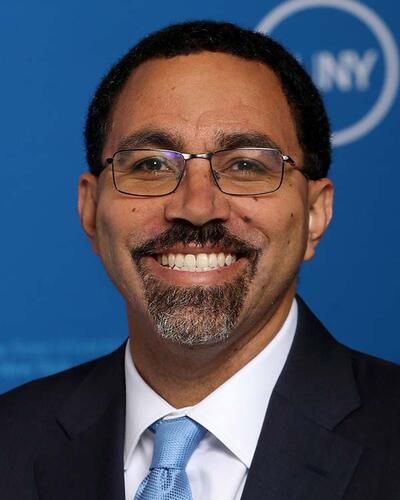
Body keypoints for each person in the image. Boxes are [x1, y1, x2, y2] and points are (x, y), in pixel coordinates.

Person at [0, 20, 399, 500]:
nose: (196, 207)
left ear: (315, 214)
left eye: (246, 165)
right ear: (90, 209)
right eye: (150, 165)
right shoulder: (10, 442)